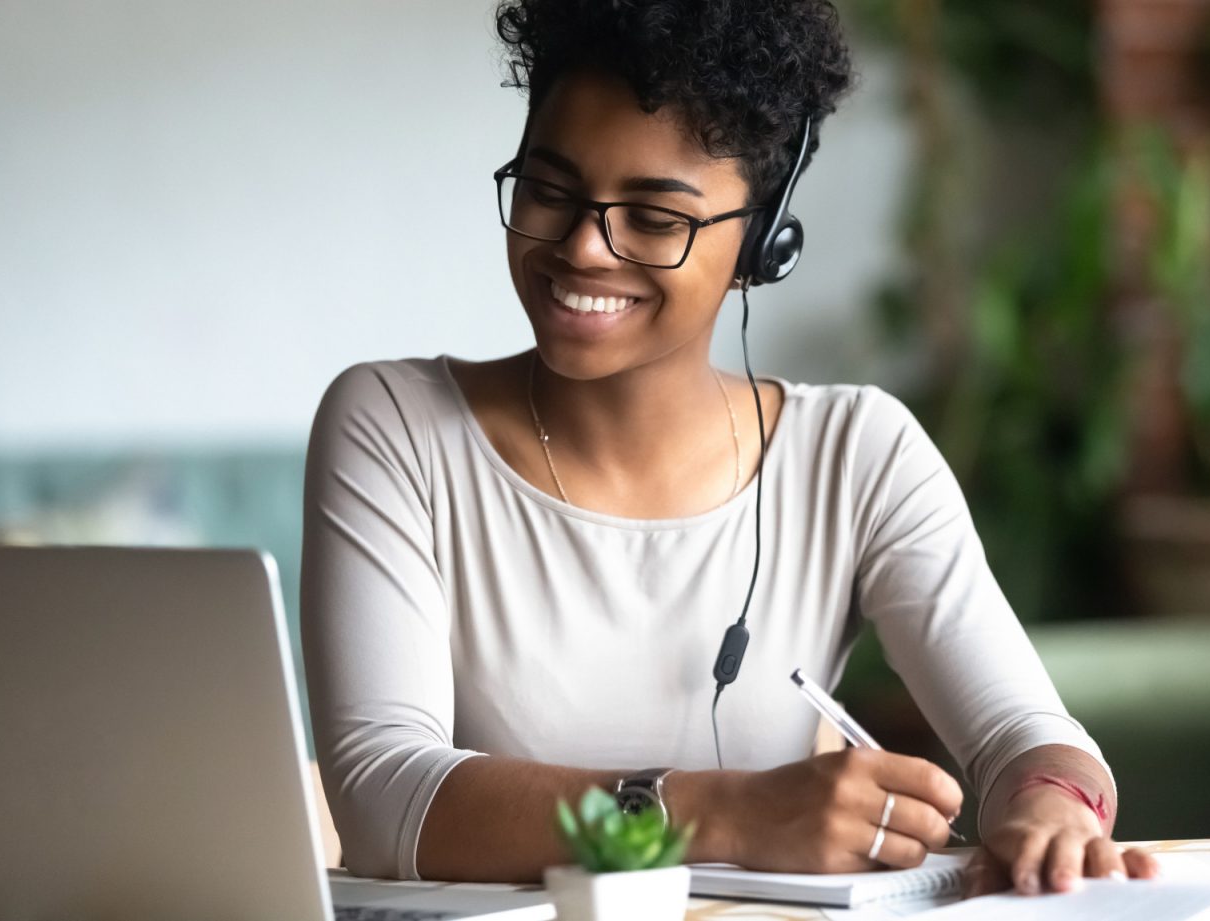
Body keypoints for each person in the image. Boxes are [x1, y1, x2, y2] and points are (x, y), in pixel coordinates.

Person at [300, 0, 1157, 898]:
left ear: (761, 242)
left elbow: (1033, 735)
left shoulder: (856, 455)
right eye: (550, 191)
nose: (583, 247)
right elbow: (381, 794)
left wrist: (1047, 804)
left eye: (654, 218)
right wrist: (729, 814)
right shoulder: (394, 424)